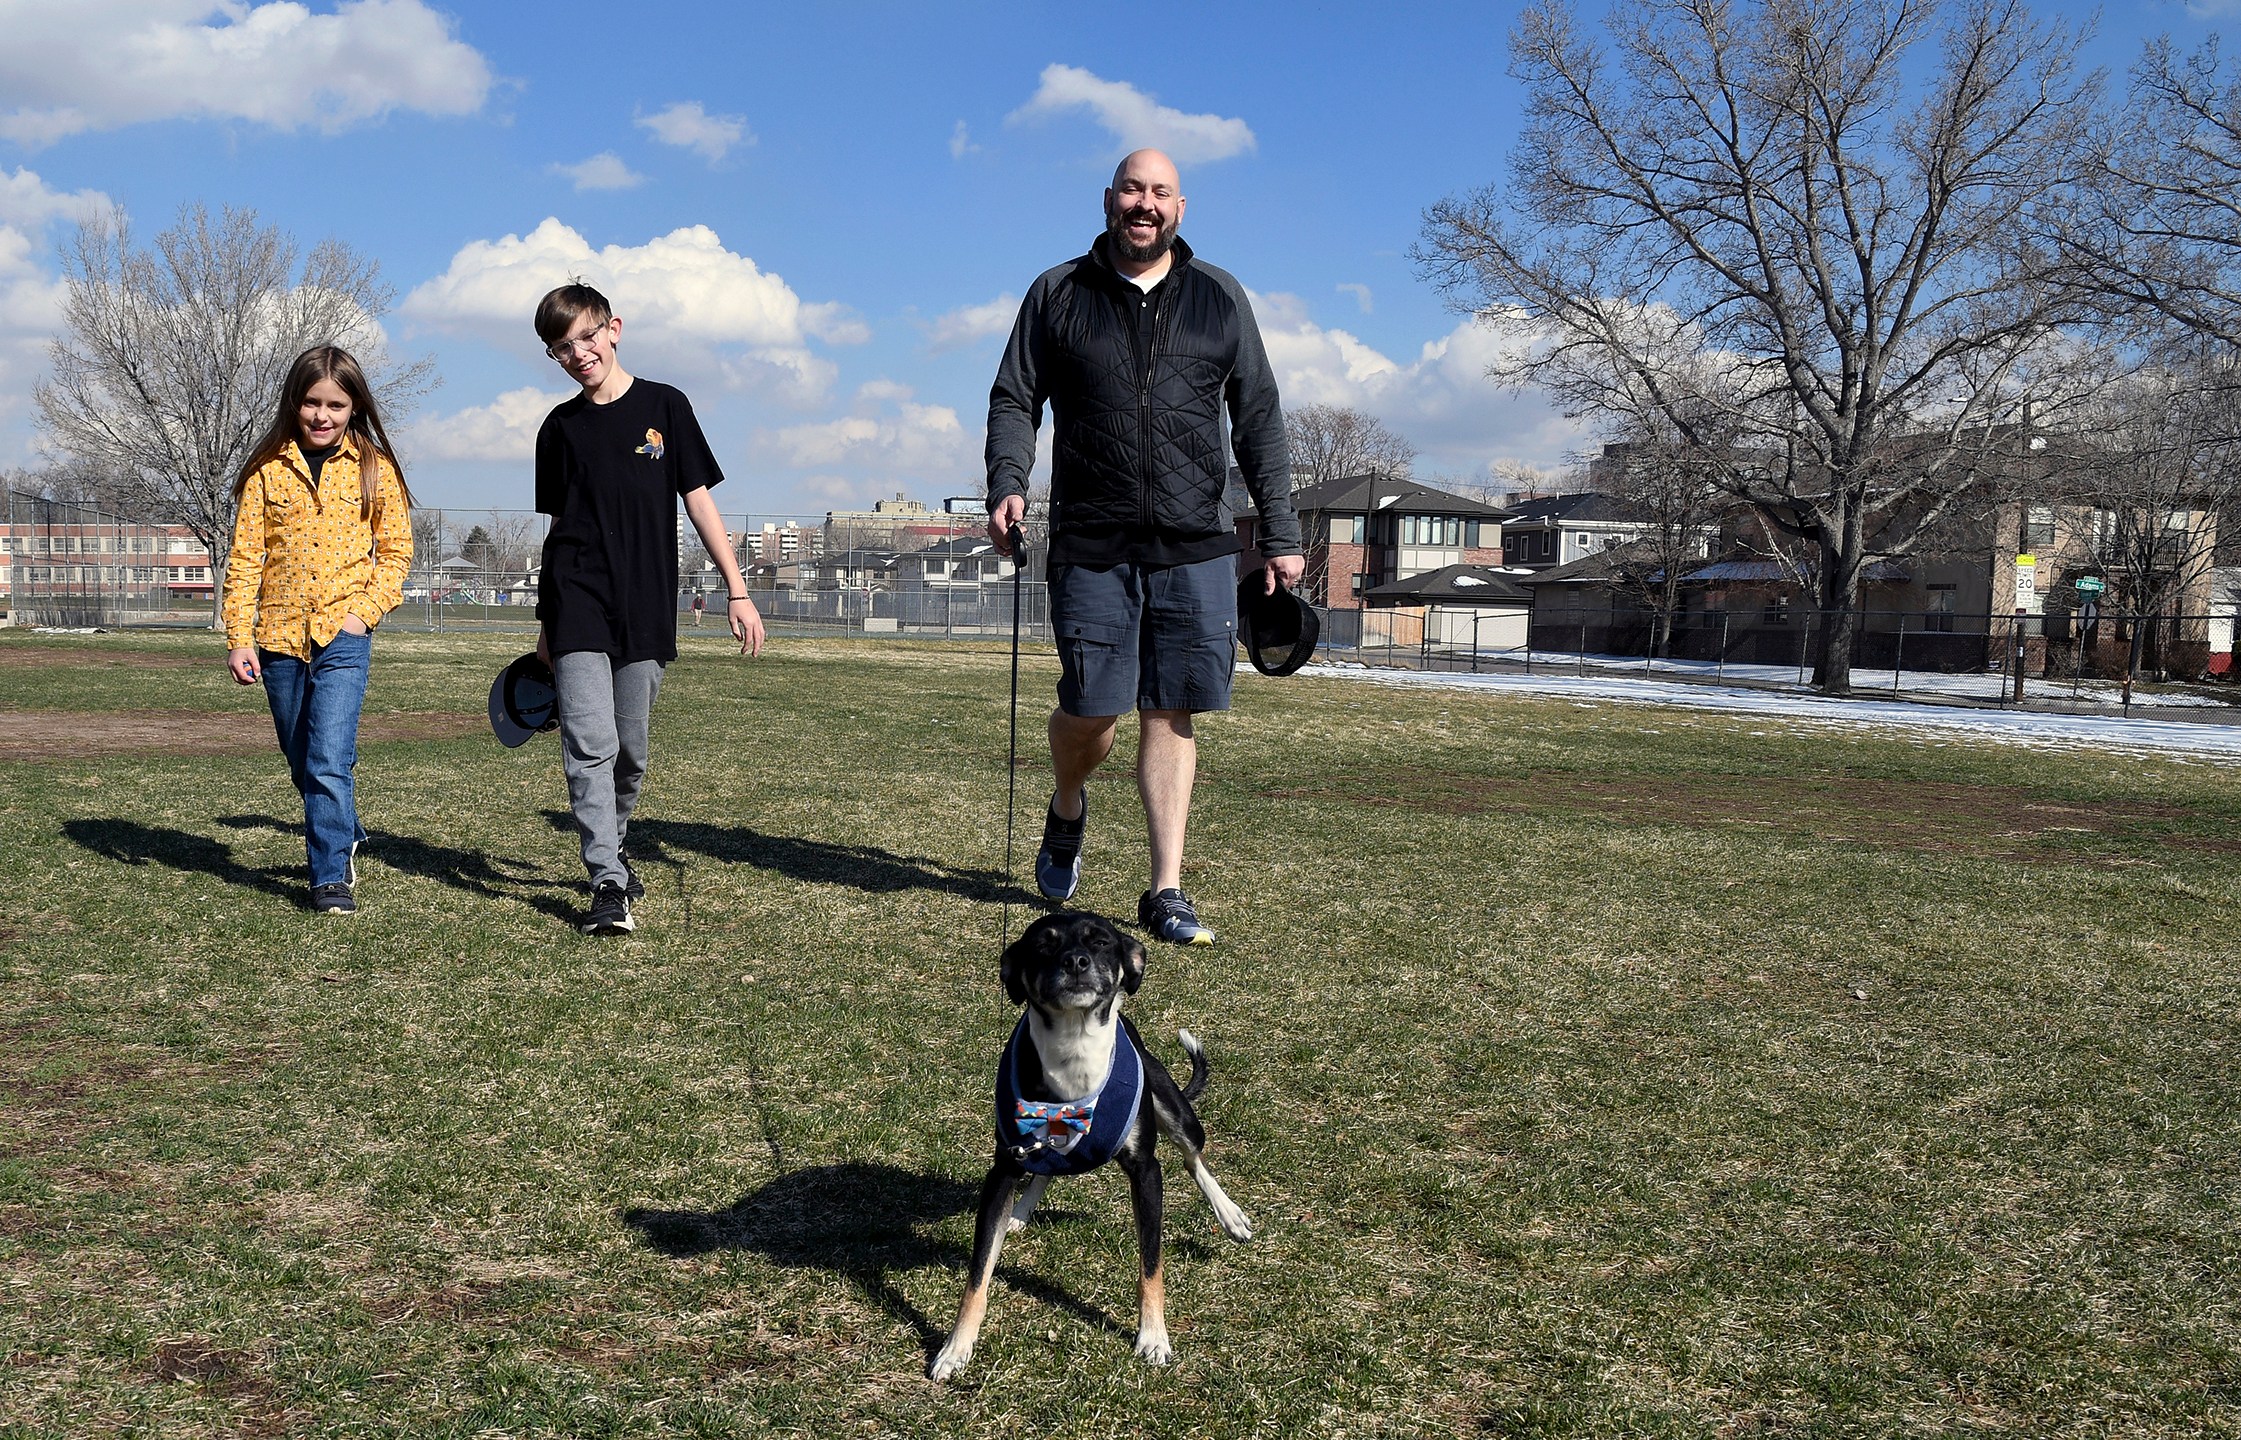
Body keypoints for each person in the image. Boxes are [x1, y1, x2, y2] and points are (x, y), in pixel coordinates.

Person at [985, 148, 1304, 946]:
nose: (1144, 204)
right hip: (1092, 540)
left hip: (1196, 543)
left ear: (1180, 208)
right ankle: (1067, 807)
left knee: (1171, 710)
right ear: (1108, 199)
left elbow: (1258, 417)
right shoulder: (1057, 291)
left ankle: (1165, 887)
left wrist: (1281, 531)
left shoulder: (1219, 297)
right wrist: (1007, 480)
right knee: (1091, 707)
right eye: (1133, 188)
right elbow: (1015, 396)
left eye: (1160, 192)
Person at [532, 281, 765, 935]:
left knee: (629, 750)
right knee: (589, 744)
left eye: (585, 336)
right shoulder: (559, 429)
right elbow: (557, 532)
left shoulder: (666, 406)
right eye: (560, 348)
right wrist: (548, 625)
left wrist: (736, 590)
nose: (577, 354)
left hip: (646, 606)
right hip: (577, 598)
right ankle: (606, 881)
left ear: (614, 328)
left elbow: (698, 503)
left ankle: (617, 841)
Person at [221, 345, 414, 916]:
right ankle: (345, 825)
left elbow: (396, 552)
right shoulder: (265, 470)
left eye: (335, 404)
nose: (322, 415)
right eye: (311, 403)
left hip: (344, 637)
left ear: (354, 407)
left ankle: (330, 875)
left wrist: (364, 612)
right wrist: (239, 636)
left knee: (330, 754)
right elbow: (246, 558)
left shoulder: (374, 469)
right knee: (301, 755)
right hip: (279, 639)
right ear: (294, 403)